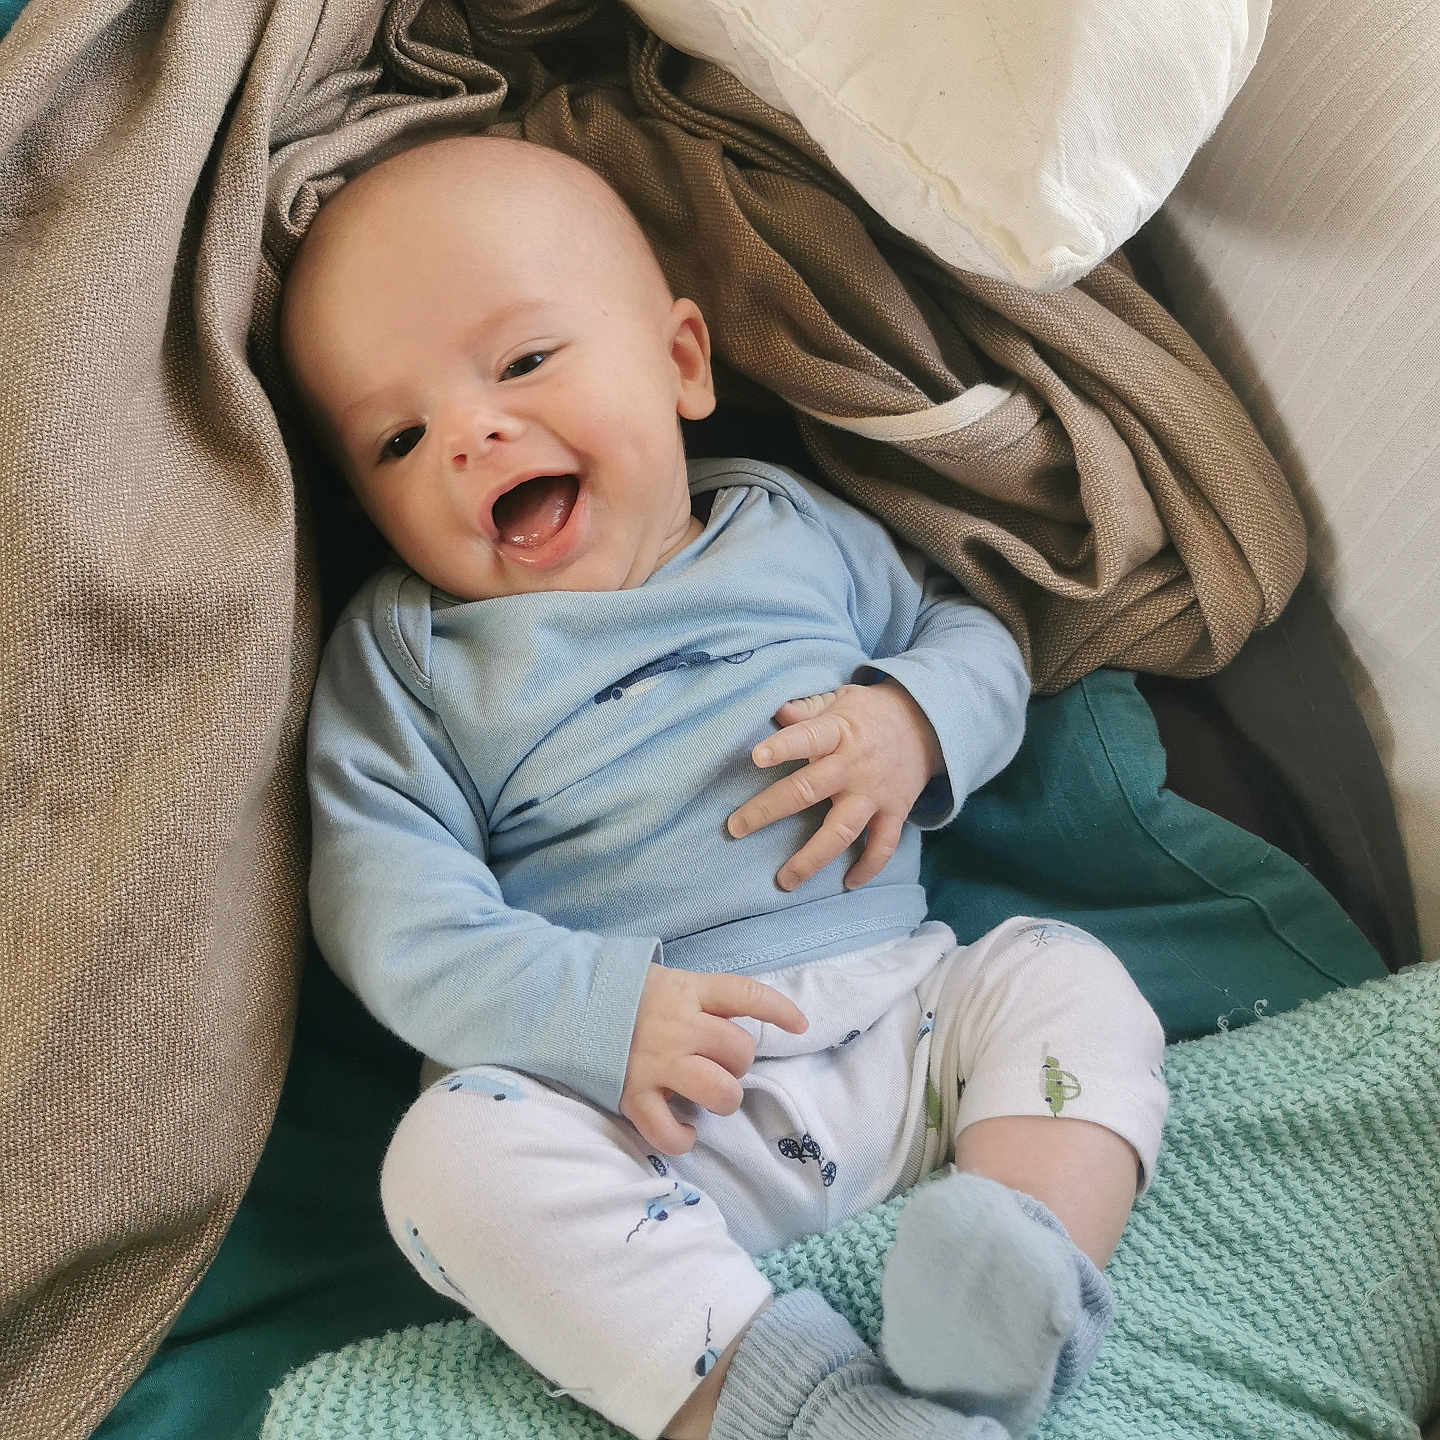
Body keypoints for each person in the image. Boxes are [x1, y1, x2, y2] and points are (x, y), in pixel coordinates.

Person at [283, 134, 1168, 1440]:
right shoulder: (410, 656)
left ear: (683, 362)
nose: (470, 435)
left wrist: (911, 722)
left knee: (1065, 980)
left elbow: (976, 639)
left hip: (906, 1025)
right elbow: (383, 907)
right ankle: (796, 1407)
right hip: (649, 1120)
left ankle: (1010, 1274)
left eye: (523, 363)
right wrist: (596, 1016)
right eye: (399, 438)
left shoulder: (791, 528)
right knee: (447, 1165)